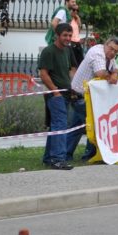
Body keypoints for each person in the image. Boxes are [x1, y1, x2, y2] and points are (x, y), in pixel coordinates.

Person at [70, 36, 118, 160]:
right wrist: (112, 76)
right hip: (81, 96)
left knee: (76, 127)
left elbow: (116, 68)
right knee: (94, 125)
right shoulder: (97, 53)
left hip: (83, 96)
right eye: (111, 49)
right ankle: (89, 155)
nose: (113, 53)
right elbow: (100, 72)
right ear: (106, 44)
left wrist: (114, 73)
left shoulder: (108, 55)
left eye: (116, 51)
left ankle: (66, 154)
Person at [38, 23, 81, 170]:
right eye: (65, 35)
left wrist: (73, 86)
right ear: (57, 35)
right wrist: (55, 91)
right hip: (55, 95)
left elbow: (72, 69)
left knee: (56, 126)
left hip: (66, 94)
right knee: (61, 126)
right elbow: (43, 74)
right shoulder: (49, 51)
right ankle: (58, 159)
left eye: (70, 35)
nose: (68, 38)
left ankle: (49, 157)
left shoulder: (68, 51)